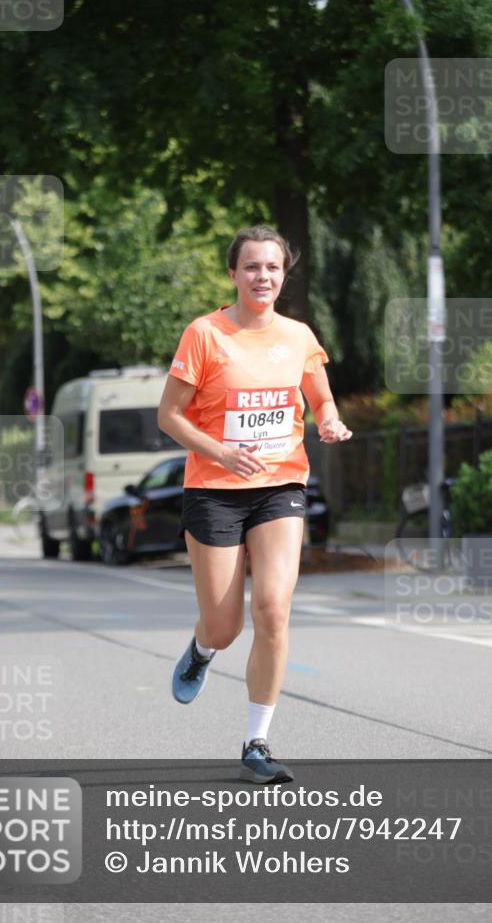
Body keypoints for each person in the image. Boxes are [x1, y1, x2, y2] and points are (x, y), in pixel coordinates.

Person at [157, 225, 352, 784]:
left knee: (272, 609)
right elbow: (168, 415)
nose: (262, 277)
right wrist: (220, 451)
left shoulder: (298, 337)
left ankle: (256, 742)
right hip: (214, 490)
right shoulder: (204, 334)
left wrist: (331, 422)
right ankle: (201, 648)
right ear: (233, 274)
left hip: (280, 486)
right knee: (224, 626)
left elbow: (321, 398)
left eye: (272, 267)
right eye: (251, 267)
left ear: (283, 273)